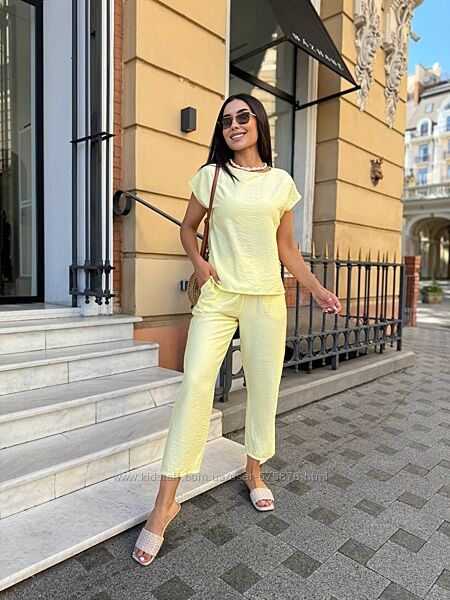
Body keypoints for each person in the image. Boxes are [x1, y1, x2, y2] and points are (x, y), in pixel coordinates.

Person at [132, 93, 342, 566]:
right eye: (226, 120)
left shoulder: (281, 183)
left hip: (266, 298)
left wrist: (314, 287)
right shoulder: (211, 176)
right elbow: (188, 228)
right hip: (219, 297)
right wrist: (199, 265)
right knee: (194, 385)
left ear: (259, 123)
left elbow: (286, 248)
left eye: (243, 116)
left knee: (264, 388)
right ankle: (164, 504)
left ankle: (254, 472)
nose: (234, 125)